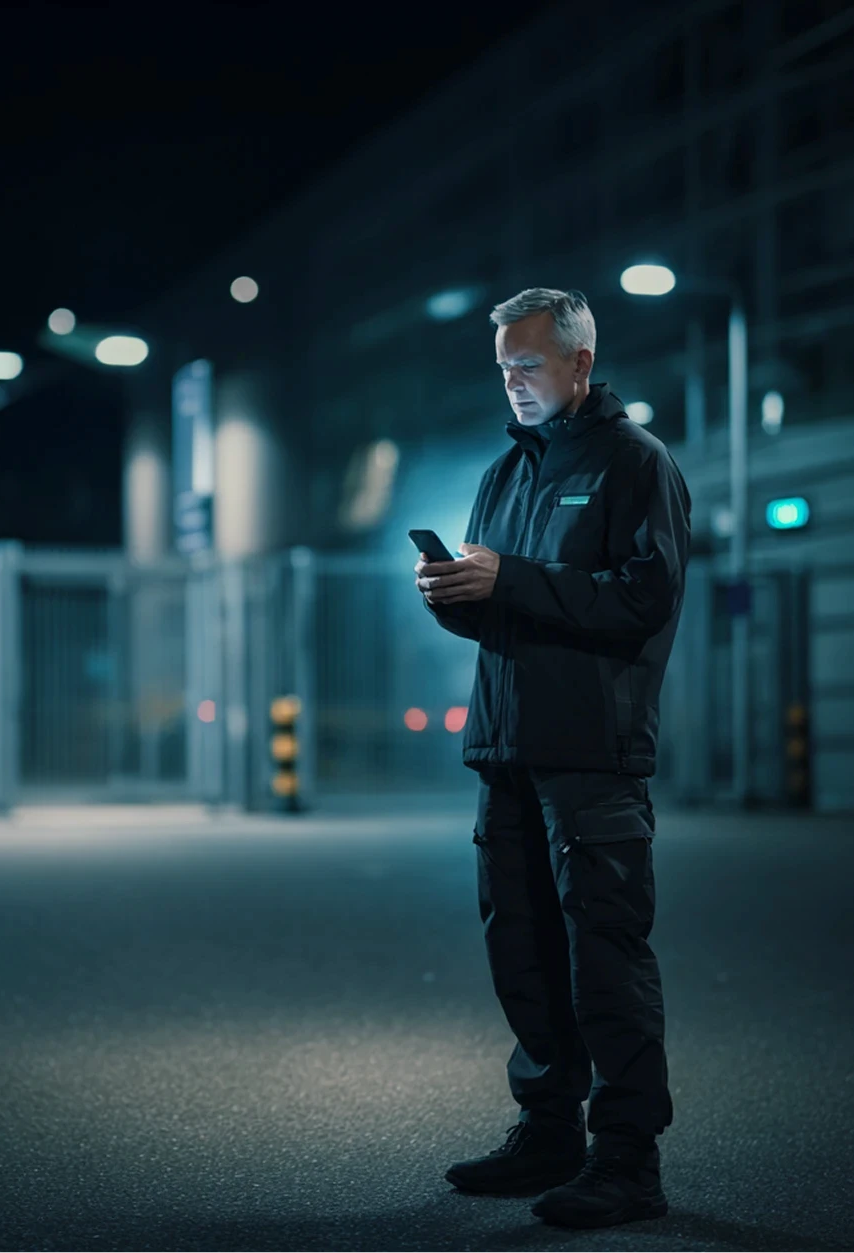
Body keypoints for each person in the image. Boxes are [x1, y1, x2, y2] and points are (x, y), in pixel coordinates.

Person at [414, 287, 691, 1230]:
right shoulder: (507, 471)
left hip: (591, 754)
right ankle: (547, 1132)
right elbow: (508, 608)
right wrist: (455, 593)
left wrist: (515, 579)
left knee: (603, 955)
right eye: (502, 366)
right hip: (504, 745)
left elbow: (644, 599)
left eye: (526, 364)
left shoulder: (633, 461)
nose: (513, 381)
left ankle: (627, 1162)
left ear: (579, 363)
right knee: (522, 949)